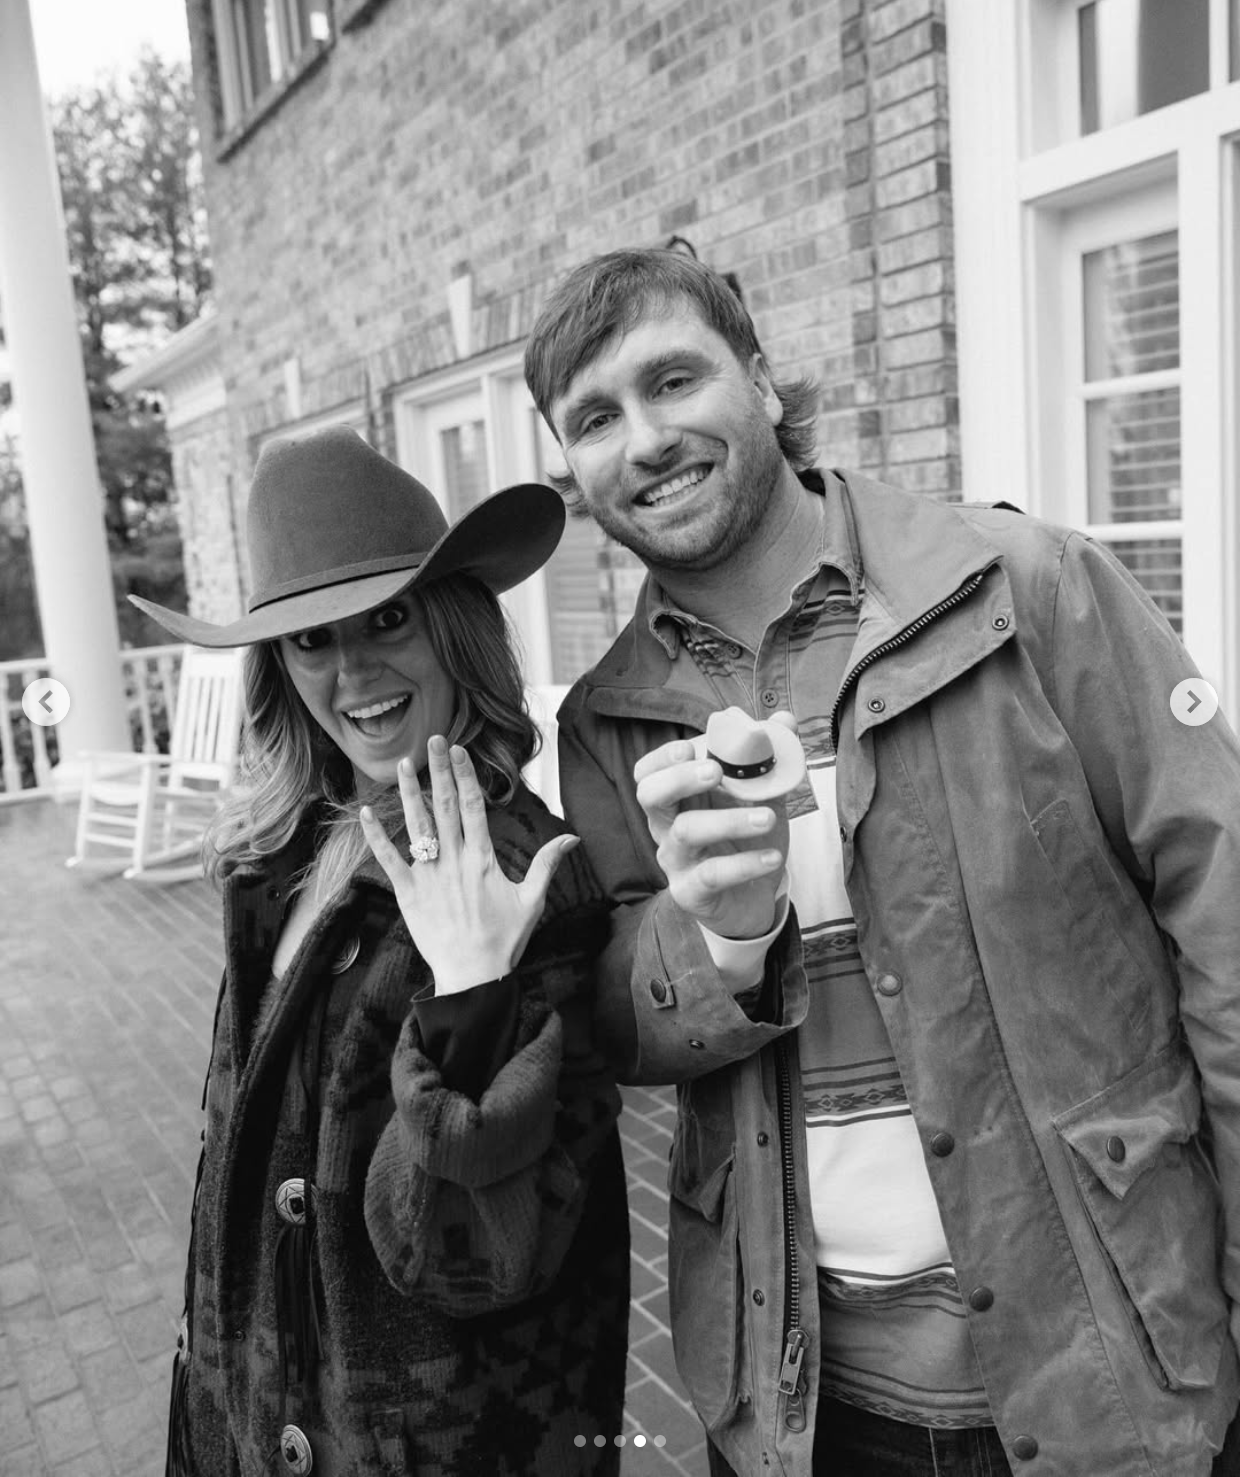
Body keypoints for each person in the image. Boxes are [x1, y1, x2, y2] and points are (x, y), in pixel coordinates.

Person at [521, 247, 1240, 1477]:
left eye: (673, 379)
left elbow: (1223, 918)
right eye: (594, 417)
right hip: (807, 1407)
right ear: (572, 468)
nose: (642, 438)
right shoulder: (606, 720)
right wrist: (725, 937)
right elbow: (616, 1030)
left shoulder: (1022, 587)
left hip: (1112, 1366)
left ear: (756, 372)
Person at [131, 425, 629, 1477]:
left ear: (452, 624)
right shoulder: (285, 852)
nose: (353, 670)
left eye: (388, 617)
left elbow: (471, 1258)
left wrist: (471, 997)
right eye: (311, 639)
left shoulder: (525, 874)